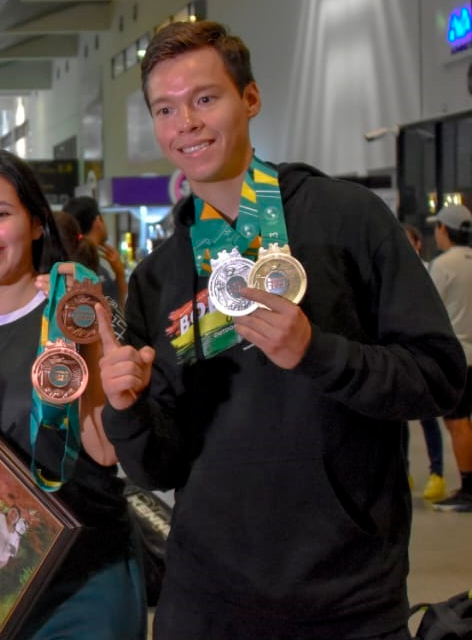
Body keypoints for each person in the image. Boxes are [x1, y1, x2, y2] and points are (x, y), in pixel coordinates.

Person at [98, 20, 465, 639]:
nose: (184, 121)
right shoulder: (161, 274)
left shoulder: (347, 218)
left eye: (204, 98)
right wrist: (125, 408)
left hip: (344, 601)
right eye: (166, 108)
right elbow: (158, 465)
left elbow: (442, 379)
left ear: (250, 99)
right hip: (206, 601)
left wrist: (316, 352)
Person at [0, 149, 144, 640]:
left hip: (81, 580)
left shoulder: (74, 311)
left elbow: (105, 450)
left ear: (37, 223)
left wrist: (111, 367)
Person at [427, 204, 472, 512]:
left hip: (459, 355)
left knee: (458, 423)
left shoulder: (444, 265)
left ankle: (468, 488)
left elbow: (429, 309)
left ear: (444, 229)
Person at [403, 222, 449, 501]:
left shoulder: (432, 271)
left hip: (423, 356)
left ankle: (438, 472)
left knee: (428, 419)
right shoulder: (384, 270)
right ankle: (403, 470)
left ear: (418, 244)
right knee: (398, 421)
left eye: (408, 240)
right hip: (398, 352)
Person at [63, 196, 126, 308]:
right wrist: (120, 273)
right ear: (98, 221)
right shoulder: (95, 270)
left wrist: (119, 273)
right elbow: (118, 312)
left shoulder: (66, 264)